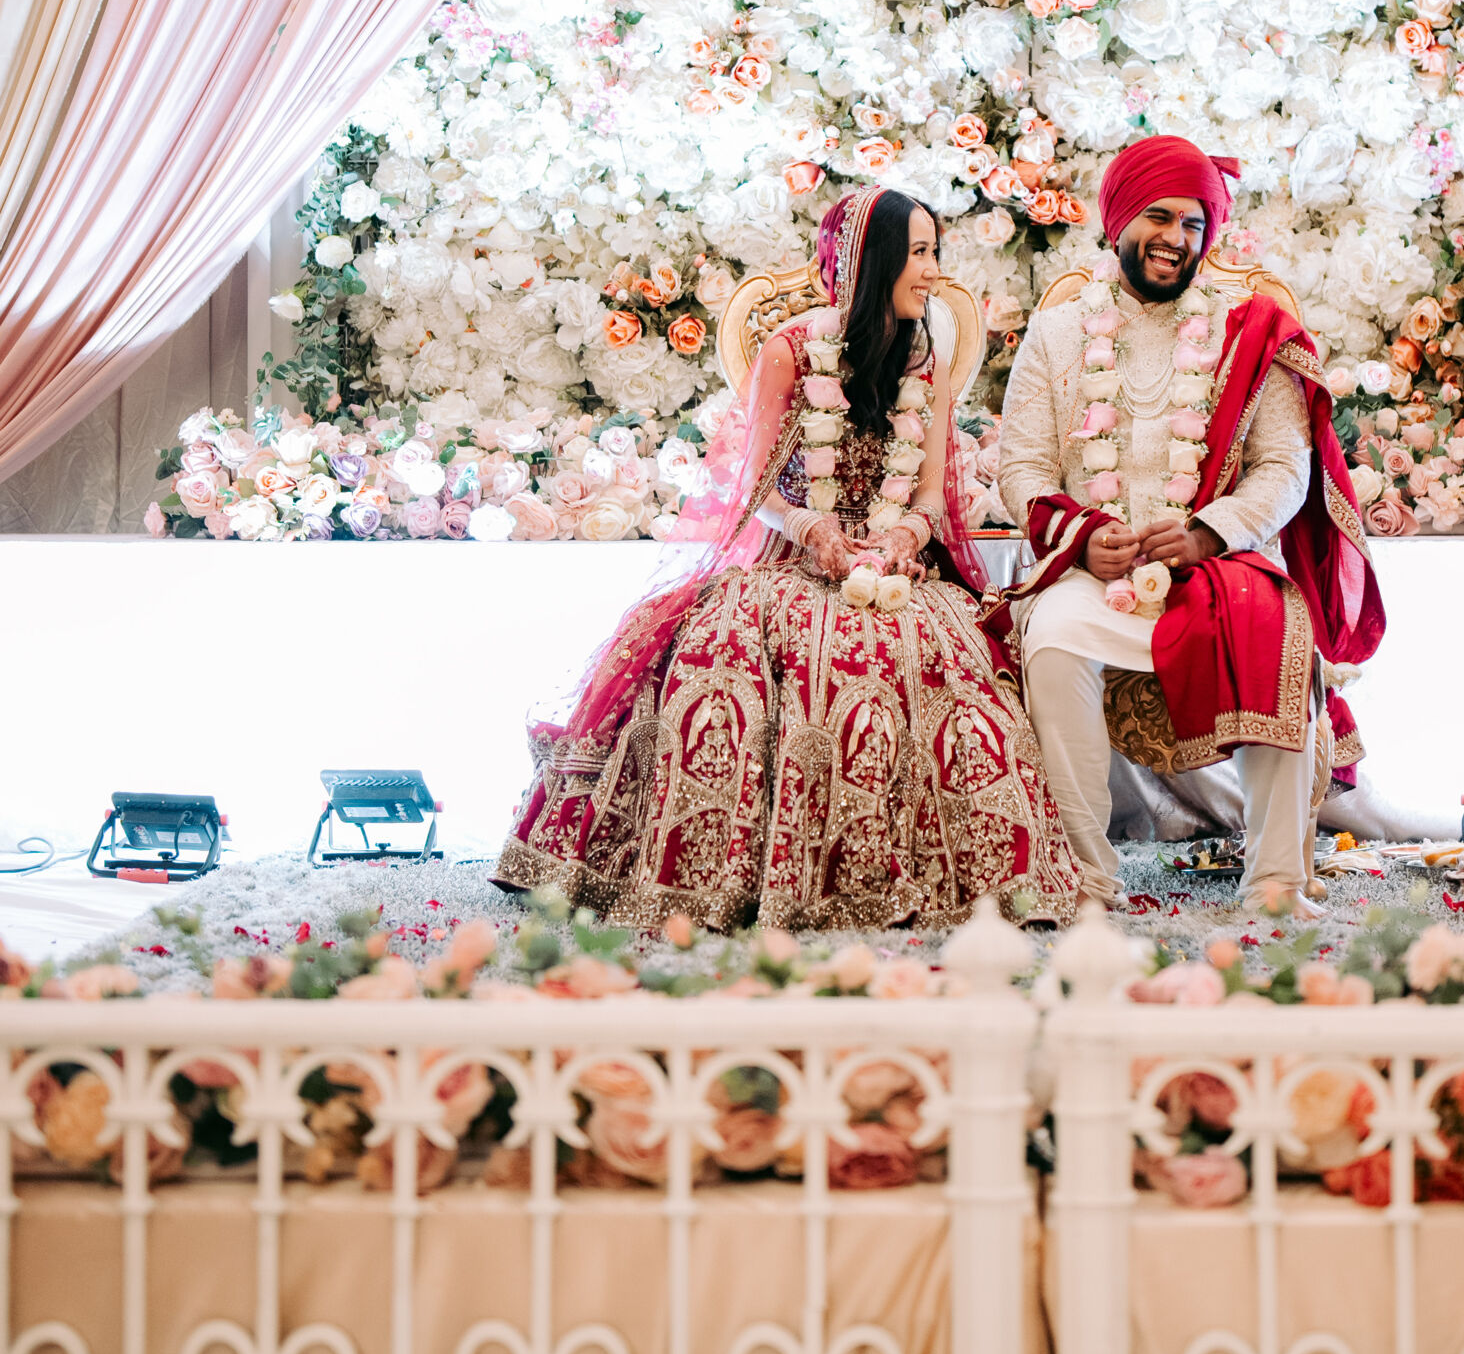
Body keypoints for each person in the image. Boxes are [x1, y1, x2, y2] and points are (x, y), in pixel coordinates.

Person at [495, 188, 1082, 932]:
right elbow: (759, 486)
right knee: (745, 662)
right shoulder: (791, 352)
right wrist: (817, 533)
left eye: (936, 252)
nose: (934, 270)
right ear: (873, 261)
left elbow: (932, 493)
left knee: (944, 668)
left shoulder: (926, 359)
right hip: (793, 561)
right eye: (920, 253)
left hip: (897, 567)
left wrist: (903, 539)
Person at [994, 136, 1384, 917]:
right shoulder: (1059, 334)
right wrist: (1085, 537)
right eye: (1160, 217)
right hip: (1095, 567)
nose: (1176, 237)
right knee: (1055, 639)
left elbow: (1285, 468)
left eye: (1194, 223)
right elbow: (1023, 469)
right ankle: (1087, 879)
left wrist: (1210, 532)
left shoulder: (1250, 330)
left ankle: (1274, 880)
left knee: (1278, 626)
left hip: (1218, 563)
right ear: (1119, 221)